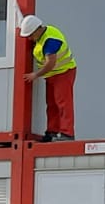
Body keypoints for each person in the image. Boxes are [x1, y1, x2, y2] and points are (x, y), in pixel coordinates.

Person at [19, 13, 77, 141]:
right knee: (52, 104)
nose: (29, 39)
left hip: (63, 72)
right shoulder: (41, 37)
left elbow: (50, 63)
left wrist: (36, 75)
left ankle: (67, 133)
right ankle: (52, 131)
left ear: (37, 30)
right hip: (52, 75)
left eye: (30, 35)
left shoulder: (51, 40)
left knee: (63, 103)